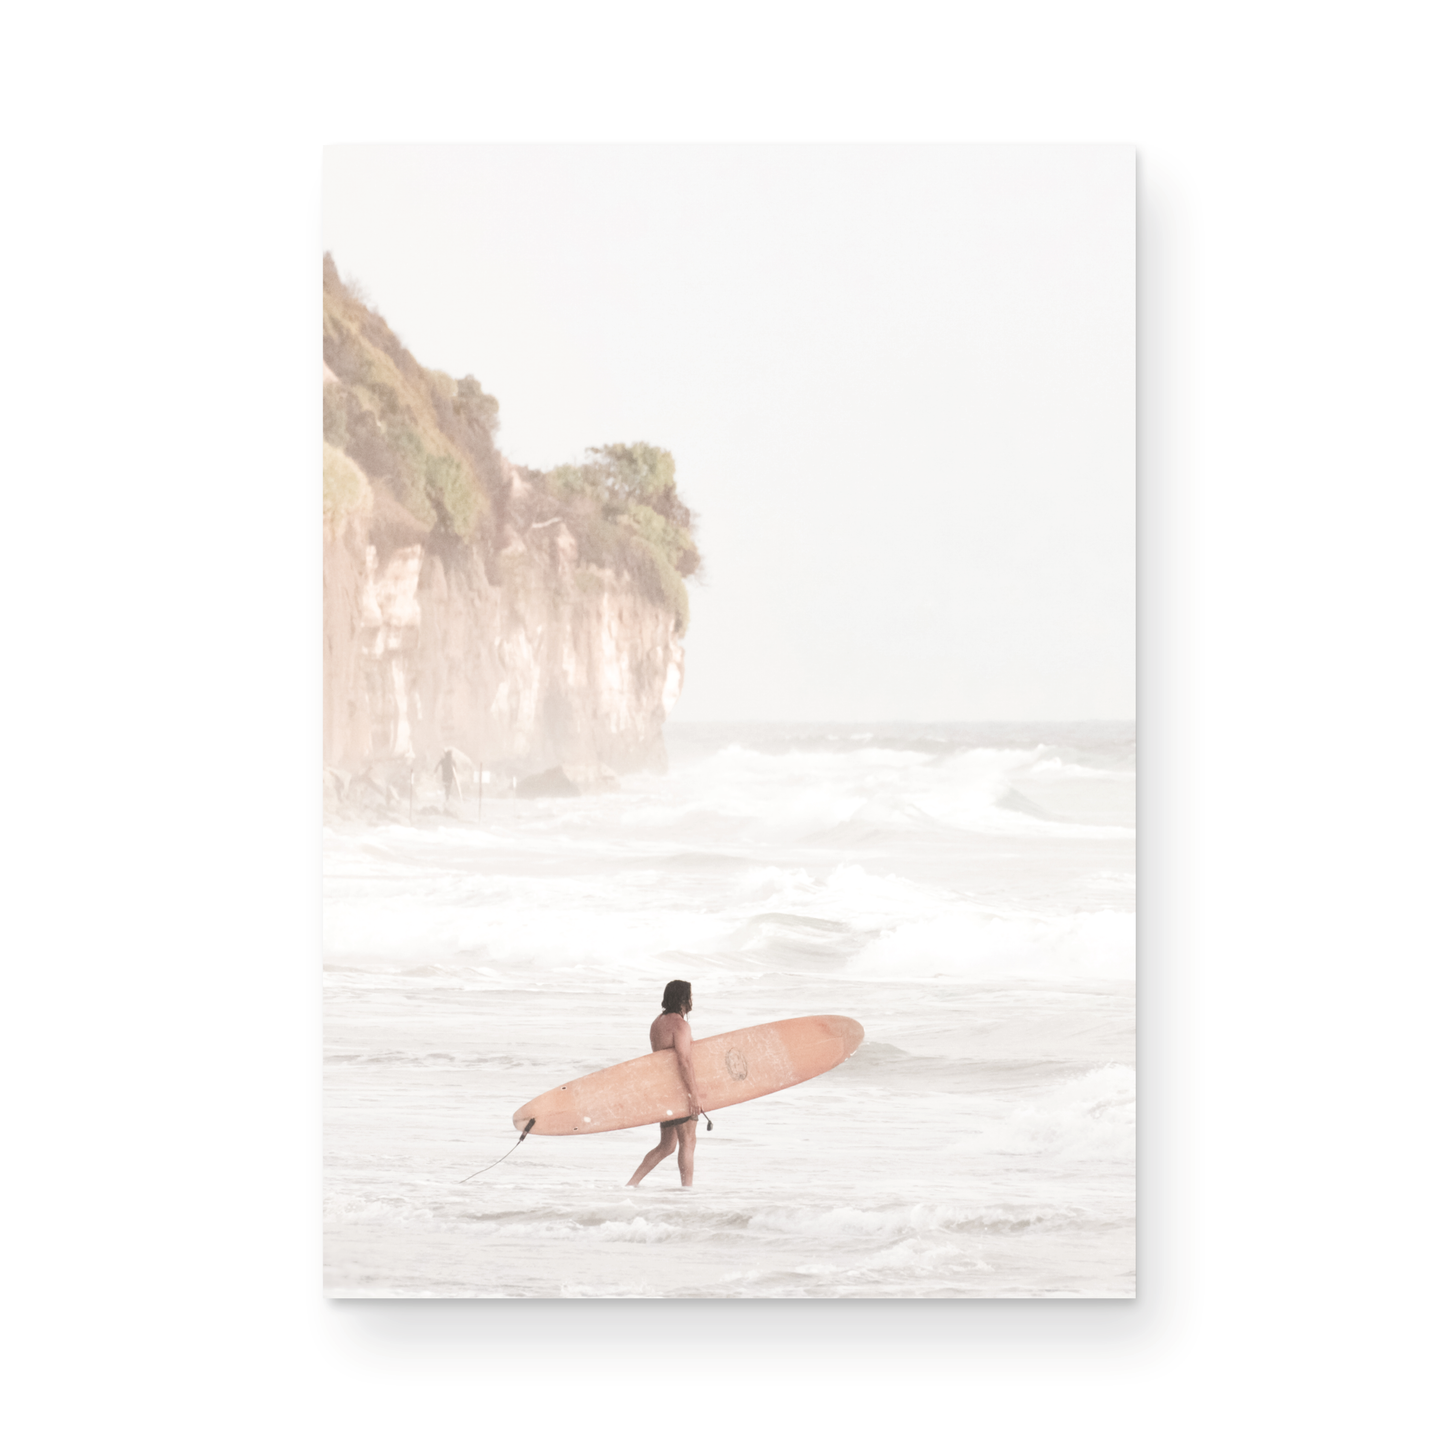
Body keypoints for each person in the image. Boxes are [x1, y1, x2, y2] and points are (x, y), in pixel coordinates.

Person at [625, 980, 701, 1188]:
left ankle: (631, 1184)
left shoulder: (657, 1023)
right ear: (684, 999)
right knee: (688, 1142)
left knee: (667, 1145)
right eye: (690, 996)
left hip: (663, 1089)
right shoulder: (680, 1025)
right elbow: (684, 1061)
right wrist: (693, 1094)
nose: (692, 1000)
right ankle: (688, 1190)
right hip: (679, 1090)